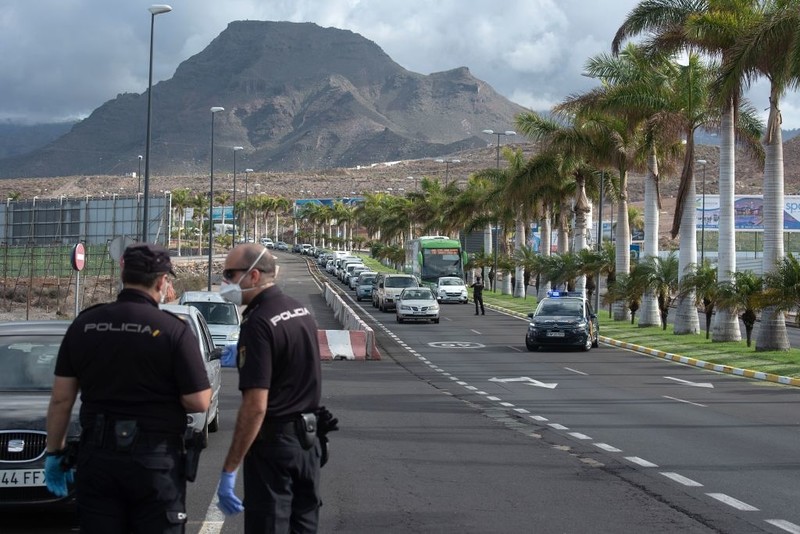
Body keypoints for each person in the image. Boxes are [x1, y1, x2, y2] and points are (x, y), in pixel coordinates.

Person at [45, 242, 212, 533]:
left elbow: (61, 399)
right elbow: (199, 401)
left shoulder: (85, 324)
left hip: (98, 457)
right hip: (155, 460)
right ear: (162, 281)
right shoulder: (173, 330)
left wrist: (54, 453)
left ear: (123, 273)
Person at [216, 244, 323, 533]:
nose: (224, 282)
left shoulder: (258, 322)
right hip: (308, 445)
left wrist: (230, 467)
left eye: (229, 274)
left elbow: (255, 406)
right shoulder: (300, 311)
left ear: (253, 276)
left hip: (275, 449)